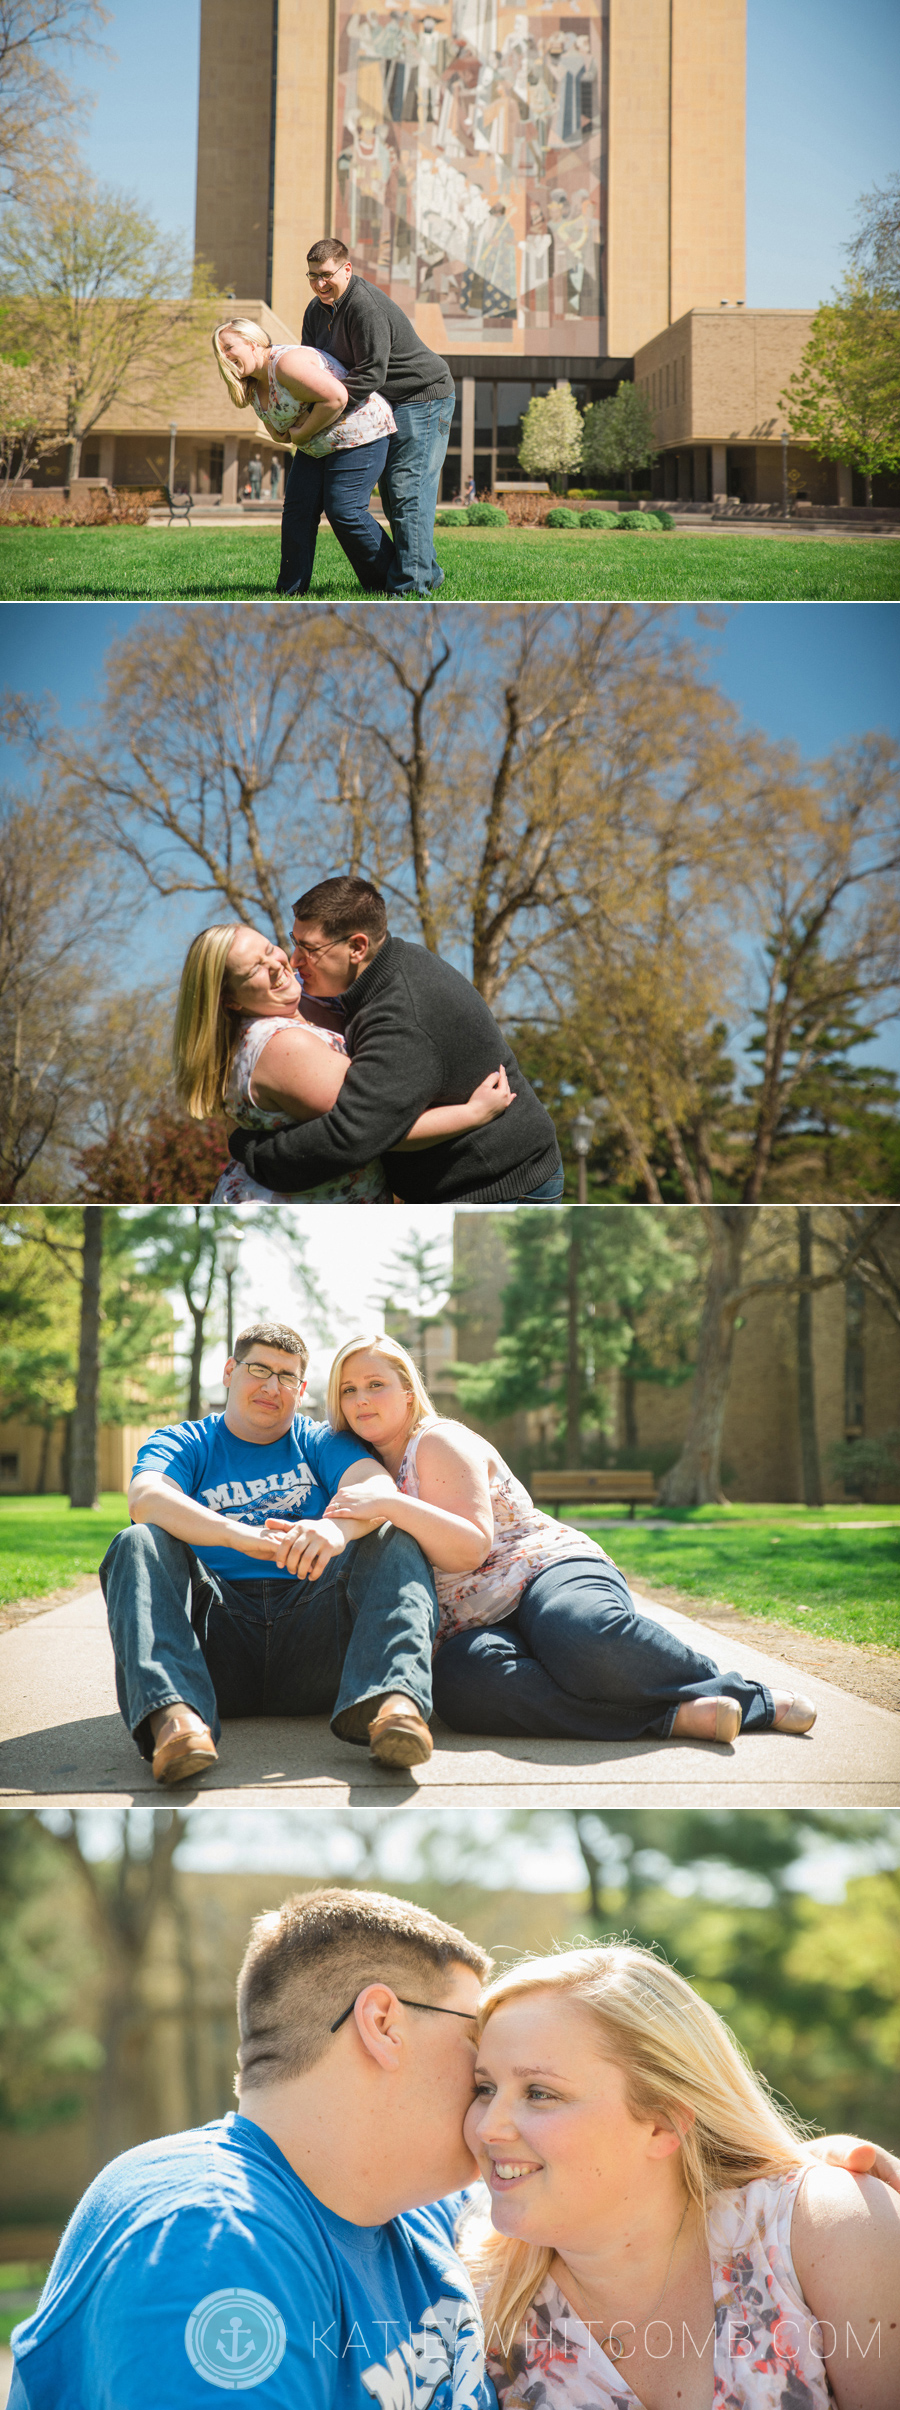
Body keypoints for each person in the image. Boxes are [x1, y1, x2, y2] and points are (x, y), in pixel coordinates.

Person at [9, 1887, 900, 2410]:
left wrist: (799, 2177)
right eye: (480, 2068)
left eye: (532, 2088)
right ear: (384, 2023)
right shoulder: (207, 2241)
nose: (489, 2120)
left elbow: (649, 2174)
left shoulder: (422, 2227)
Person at [460, 1942, 900, 2409]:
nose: (487, 2127)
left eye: (540, 2093)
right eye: (484, 2087)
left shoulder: (824, 2230)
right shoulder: (462, 2297)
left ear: (663, 2122)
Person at [323, 1336, 817, 1746]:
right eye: (348, 1390)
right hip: (471, 1621)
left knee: (576, 1636)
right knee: (466, 1686)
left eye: (375, 1385)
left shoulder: (436, 1440)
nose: (361, 1399)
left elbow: (471, 1548)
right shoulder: (355, 1465)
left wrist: (390, 1505)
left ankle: (746, 1696)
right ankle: (673, 1719)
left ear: (409, 1392)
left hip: (543, 1570)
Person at [99, 1320, 442, 1782]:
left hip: (316, 1642)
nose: (271, 1387)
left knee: (394, 1536)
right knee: (137, 1541)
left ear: (301, 1390)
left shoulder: (321, 1440)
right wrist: (239, 1536)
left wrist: (334, 1531)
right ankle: (175, 1723)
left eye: (286, 1377)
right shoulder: (185, 1441)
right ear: (229, 1371)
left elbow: (375, 1486)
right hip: (213, 1643)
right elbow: (145, 1498)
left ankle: (394, 1707)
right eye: (259, 1369)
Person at [227, 875, 565, 1205]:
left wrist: (252, 1150)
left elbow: (353, 1135)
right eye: (293, 940)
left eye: (309, 948)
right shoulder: (387, 969)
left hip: (500, 1185)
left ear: (357, 947)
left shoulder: (401, 1017)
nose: (294, 959)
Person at [173, 921, 517, 1204]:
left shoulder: (306, 1003)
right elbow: (372, 1130)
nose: (276, 964)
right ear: (229, 1000)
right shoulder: (283, 1046)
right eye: (254, 971)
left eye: (268, 949)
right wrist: (472, 1114)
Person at [301, 237, 455, 595]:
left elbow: (371, 374)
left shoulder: (364, 306)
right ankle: (426, 571)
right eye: (312, 276)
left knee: (407, 492)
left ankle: (410, 588)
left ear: (347, 269)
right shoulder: (315, 311)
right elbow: (316, 367)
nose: (319, 284)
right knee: (394, 495)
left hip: (422, 398)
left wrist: (327, 415)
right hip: (384, 404)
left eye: (326, 275)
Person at [212, 316, 398, 595]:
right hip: (317, 444)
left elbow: (336, 398)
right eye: (219, 352)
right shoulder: (252, 384)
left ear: (252, 342)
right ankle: (290, 590)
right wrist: (296, 432)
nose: (224, 356)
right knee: (298, 512)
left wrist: (301, 432)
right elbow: (278, 433)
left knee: (344, 510)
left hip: (358, 432)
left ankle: (393, 582)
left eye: (228, 347)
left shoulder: (286, 364)